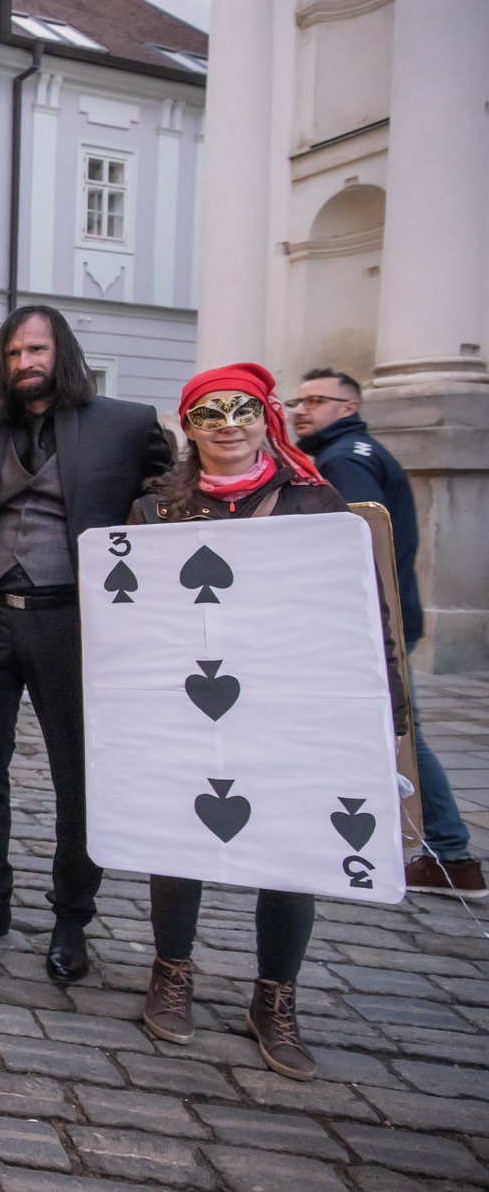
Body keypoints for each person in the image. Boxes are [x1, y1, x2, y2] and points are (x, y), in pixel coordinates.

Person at [130, 363, 371, 1080]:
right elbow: (130, 619)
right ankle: (171, 970)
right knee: (182, 834)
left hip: (287, 698)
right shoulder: (157, 510)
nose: (228, 426)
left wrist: (380, 707)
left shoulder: (315, 502)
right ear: (188, 426)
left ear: (266, 417)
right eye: (209, 413)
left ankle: (275, 995)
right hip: (186, 695)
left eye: (241, 410)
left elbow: (358, 608)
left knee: (289, 844)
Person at [0, 304, 170, 982]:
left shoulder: (127, 425)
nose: (24, 363)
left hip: (75, 621)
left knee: (77, 777)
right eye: (12, 354)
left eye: (35, 350)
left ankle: (71, 918)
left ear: (61, 351)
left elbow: (167, 503)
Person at [291, 369, 484, 899]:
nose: (301, 409)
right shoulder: (353, 452)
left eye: (316, 400)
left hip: (372, 621)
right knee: (384, 729)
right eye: (298, 400)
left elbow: (361, 542)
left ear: (348, 407)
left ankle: (451, 855)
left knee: (401, 733)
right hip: (383, 617)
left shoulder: (343, 460)